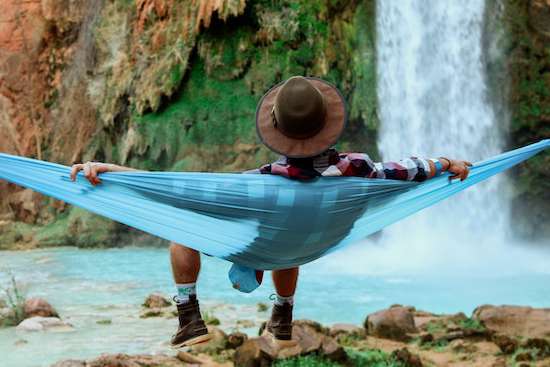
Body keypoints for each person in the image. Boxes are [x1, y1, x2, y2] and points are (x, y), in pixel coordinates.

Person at [70, 76, 472, 348]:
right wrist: (445, 161)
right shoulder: (362, 170)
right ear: (327, 127)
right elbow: (410, 169)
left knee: (184, 230)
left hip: (266, 241)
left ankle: (189, 317)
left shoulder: (259, 184)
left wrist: (114, 173)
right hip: (308, 246)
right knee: (289, 242)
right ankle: (282, 318)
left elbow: (175, 191)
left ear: (279, 133)